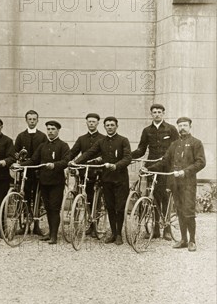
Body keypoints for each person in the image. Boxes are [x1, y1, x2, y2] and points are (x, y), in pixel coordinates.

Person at [146, 117, 206, 251]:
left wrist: (185, 172)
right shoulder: (174, 144)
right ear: (177, 128)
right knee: (179, 211)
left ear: (190, 127)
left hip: (188, 183)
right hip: (175, 183)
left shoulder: (196, 143)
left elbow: (201, 162)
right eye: (180, 126)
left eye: (185, 125)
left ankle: (192, 241)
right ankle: (183, 239)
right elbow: (165, 161)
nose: (182, 128)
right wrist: (149, 168)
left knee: (188, 211)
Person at [70, 116, 132, 245]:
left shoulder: (123, 140)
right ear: (104, 127)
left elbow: (127, 158)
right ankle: (113, 234)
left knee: (119, 207)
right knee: (109, 206)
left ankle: (119, 234)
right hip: (107, 179)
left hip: (120, 180)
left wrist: (116, 165)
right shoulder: (101, 141)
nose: (109, 127)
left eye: (112, 125)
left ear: (116, 126)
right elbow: (89, 153)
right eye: (107, 125)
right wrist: (75, 162)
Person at [131, 103, 179, 240]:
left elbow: (175, 149)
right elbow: (141, 149)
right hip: (151, 167)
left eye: (159, 112)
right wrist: (128, 157)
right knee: (153, 197)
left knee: (165, 197)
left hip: (166, 168)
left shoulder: (171, 129)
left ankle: (167, 230)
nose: (157, 114)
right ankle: (156, 229)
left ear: (163, 113)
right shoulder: (147, 130)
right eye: (154, 112)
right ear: (151, 114)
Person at [20, 121, 70, 244]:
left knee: (54, 208)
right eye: (48, 129)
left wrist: (54, 165)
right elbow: (34, 160)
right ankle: (50, 233)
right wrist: (20, 165)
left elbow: (66, 161)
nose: (50, 131)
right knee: (47, 207)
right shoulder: (42, 146)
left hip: (56, 182)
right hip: (44, 181)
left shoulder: (63, 145)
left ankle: (54, 235)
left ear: (58, 130)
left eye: (53, 129)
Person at [68, 113, 106, 238]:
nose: (91, 124)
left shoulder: (103, 138)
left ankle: (94, 226)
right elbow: (73, 152)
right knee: (85, 198)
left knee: (96, 198)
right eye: (89, 121)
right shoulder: (81, 139)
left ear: (98, 123)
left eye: (93, 122)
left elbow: (106, 155)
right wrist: (68, 161)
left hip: (97, 172)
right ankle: (86, 224)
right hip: (84, 172)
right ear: (86, 123)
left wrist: (100, 159)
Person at [14, 110, 47, 236]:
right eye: (30, 119)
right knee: (25, 197)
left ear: (37, 120)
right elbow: (15, 152)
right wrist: (18, 156)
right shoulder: (21, 136)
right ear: (26, 120)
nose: (32, 121)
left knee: (37, 198)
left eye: (34, 119)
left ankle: (37, 226)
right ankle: (24, 225)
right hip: (25, 172)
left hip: (38, 171)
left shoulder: (42, 136)